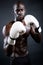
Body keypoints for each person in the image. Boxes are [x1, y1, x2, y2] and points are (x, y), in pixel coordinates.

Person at [2, 1, 42, 65]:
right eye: (17, 10)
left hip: (27, 56)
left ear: (25, 10)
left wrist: (37, 28)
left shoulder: (28, 24)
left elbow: (38, 40)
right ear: (14, 11)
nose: (19, 12)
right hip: (15, 59)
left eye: (21, 10)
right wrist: (12, 38)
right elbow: (7, 53)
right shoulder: (8, 27)